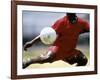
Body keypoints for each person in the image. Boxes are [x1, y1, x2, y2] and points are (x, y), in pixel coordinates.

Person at [23, 13, 89, 69]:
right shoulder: (61, 22)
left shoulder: (82, 22)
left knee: (83, 60)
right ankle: (28, 61)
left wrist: (79, 31)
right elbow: (46, 34)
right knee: (47, 58)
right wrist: (32, 42)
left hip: (70, 51)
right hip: (58, 49)